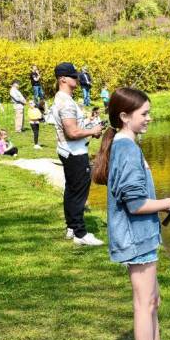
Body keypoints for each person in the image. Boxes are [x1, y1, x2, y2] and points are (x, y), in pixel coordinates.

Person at [91, 87, 170, 340]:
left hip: (144, 236)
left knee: (153, 302)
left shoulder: (128, 145)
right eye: (144, 114)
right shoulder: (126, 149)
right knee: (143, 304)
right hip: (135, 238)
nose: (149, 118)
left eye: (149, 112)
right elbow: (135, 204)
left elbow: (141, 197)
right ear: (124, 116)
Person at [51, 62, 104, 246]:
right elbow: (72, 133)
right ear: (62, 79)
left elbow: (74, 129)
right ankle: (80, 233)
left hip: (68, 151)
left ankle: (72, 227)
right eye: (73, 76)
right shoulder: (65, 102)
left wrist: (91, 128)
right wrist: (93, 131)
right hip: (74, 153)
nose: (77, 79)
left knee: (71, 190)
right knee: (79, 192)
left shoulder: (64, 99)